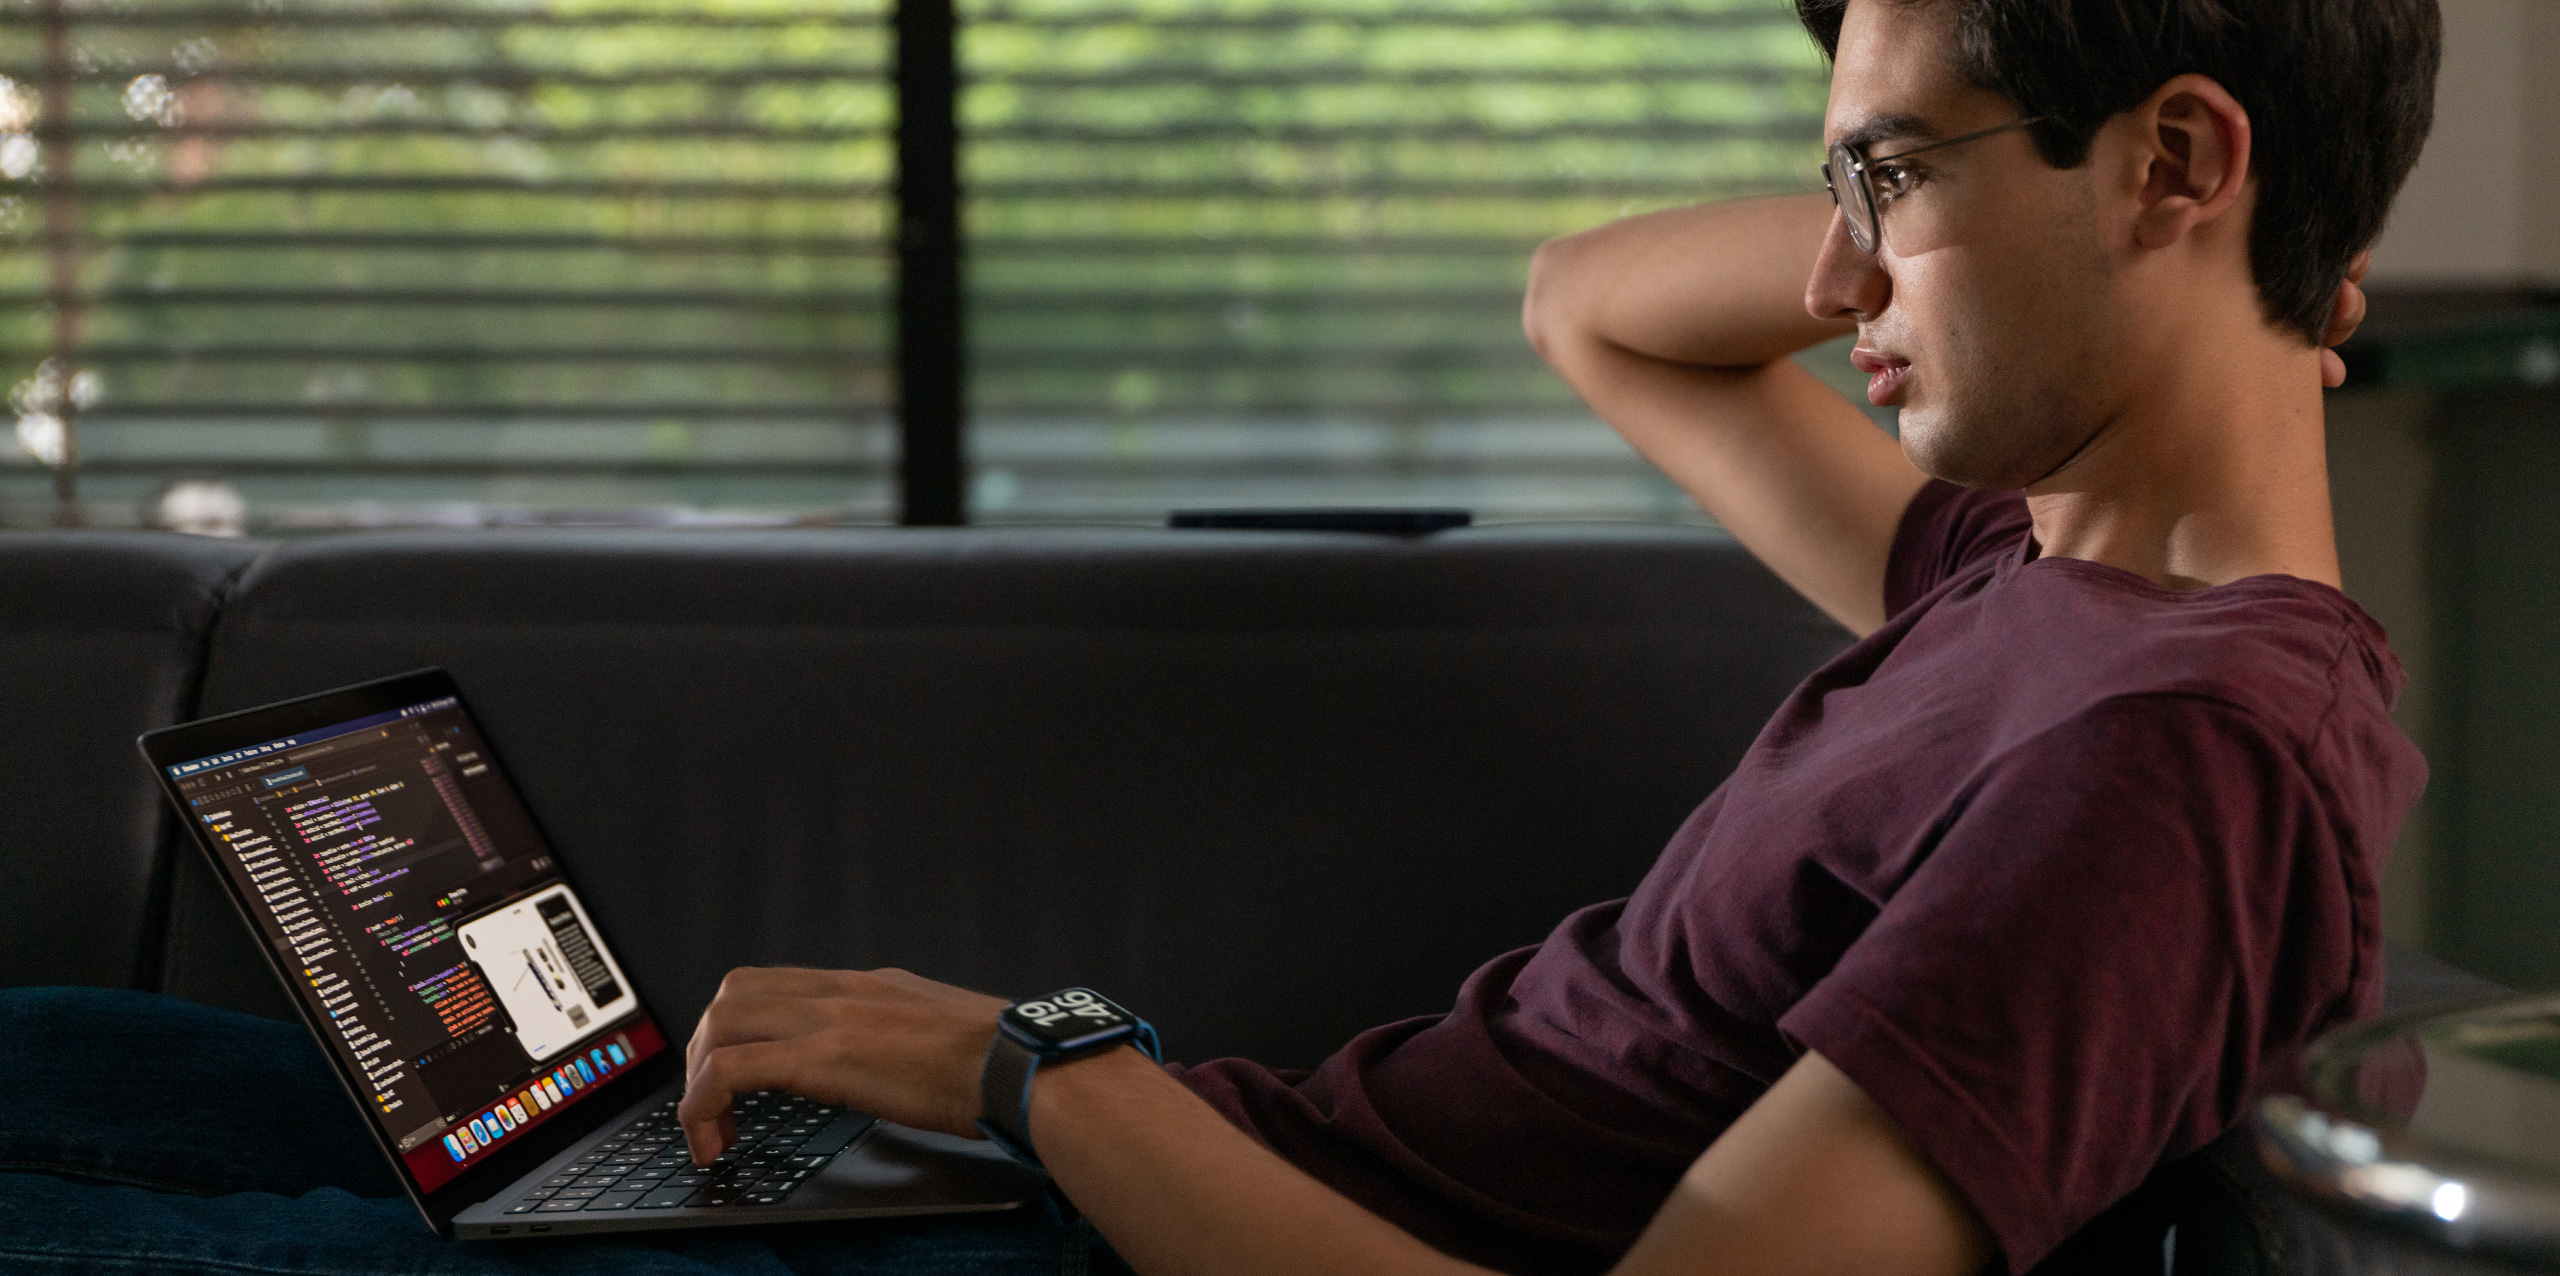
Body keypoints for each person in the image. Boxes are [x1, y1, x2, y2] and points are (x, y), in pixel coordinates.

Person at [0, 0, 2440, 1272]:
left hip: (1101, 1218)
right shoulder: (2022, 572)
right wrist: (1926, 218)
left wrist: (1032, 1066)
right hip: (1142, 1184)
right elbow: (1588, 306)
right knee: (67, 1054)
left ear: (2174, 160)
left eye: (1882, 171)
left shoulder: (2174, 749)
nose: (1832, 265)